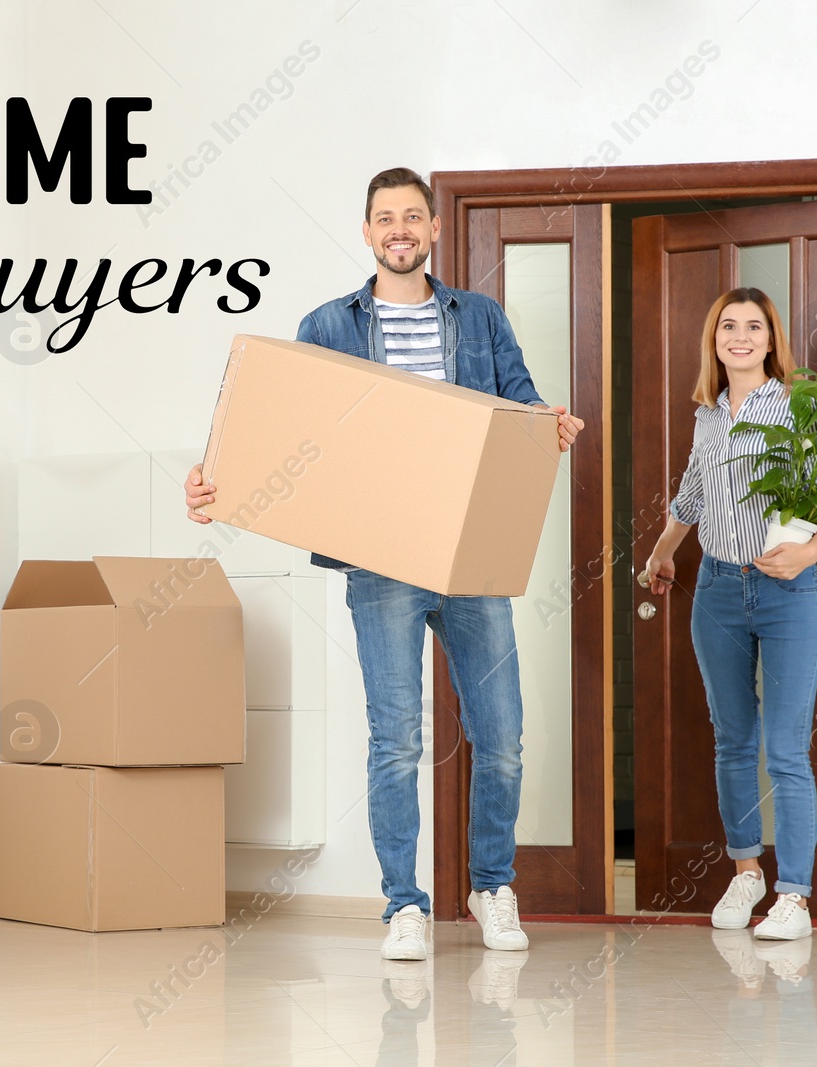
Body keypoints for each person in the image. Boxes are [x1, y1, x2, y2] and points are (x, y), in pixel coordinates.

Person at [184, 167, 583, 960]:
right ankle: (403, 902)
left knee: (501, 733)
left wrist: (550, 426)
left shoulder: (481, 319)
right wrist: (213, 481)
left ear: (434, 230)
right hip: (381, 559)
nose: (399, 229)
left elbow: (521, 406)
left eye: (412, 217)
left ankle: (491, 886)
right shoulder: (328, 325)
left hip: (468, 551)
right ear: (366, 233)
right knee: (396, 736)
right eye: (384, 218)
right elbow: (282, 433)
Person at [642, 287, 817, 942]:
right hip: (719, 592)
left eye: (755, 326)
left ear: (772, 339)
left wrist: (810, 550)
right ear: (715, 340)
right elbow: (692, 495)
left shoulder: (798, 406)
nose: (742, 336)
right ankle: (747, 868)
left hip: (786, 597)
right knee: (733, 741)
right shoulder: (709, 413)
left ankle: (795, 897)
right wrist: (663, 553)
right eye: (729, 325)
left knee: (785, 749)